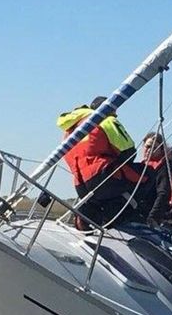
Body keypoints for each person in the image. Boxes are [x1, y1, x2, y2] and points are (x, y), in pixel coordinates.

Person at [56, 96, 141, 228]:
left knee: (95, 204)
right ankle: (144, 223)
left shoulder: (69, 131)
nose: (116, 114)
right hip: (103, 176)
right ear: (108, 108)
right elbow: (129, 150)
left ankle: (84, 226)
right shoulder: (106, 119)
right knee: (148, 175)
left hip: (80, 184)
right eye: (114, 110)